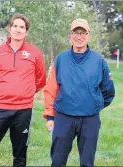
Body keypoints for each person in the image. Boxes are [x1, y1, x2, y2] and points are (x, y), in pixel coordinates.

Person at [0, 13, 46, 167]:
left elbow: (41, 80)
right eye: (15, 26)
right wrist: (4, 92)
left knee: (20, 156)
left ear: (26, 32)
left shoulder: (35, 53)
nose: (18, 30)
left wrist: (25, 93)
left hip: (23, 111)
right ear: (10, 28)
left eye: (22, 27)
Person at [43, 18, 115, 167]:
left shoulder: (99, 61)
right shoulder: (60, 60)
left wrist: (94, 104)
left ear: (88, 35)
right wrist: (50, 116)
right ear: (71, 35)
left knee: (87, 162)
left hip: (89, 120)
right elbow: (51, 90)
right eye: (76, 32)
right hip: (63, 117)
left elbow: (108, 91)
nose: (79, 36)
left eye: (83, 32)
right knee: (57, 161)